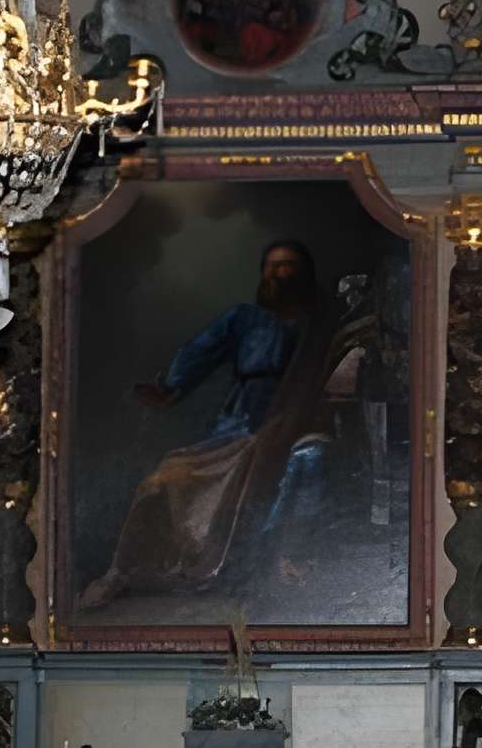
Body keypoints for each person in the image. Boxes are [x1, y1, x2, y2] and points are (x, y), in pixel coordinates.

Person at [77, 237, 344, 607]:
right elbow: (201, 350)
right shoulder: (244, 319)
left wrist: (288, 423)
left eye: (287, 266)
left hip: (291, 422)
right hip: (234, 428)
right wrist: (169, 386)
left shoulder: (318, 327)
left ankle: (254, 577)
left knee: (276, 471)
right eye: (271, 266)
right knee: (161, 482)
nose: (278, 273)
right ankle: (124, 571)